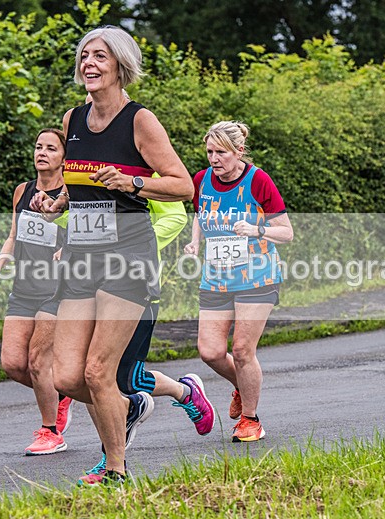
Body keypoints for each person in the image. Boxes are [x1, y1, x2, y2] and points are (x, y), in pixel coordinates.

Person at [32, 25, 193, 486]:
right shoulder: (72, 120)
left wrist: (134, 182)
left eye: (99, 56)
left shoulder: (139, 121)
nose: (89, 64)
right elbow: (74, 183)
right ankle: (131, 403)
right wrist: (58, 201)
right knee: (66, 375)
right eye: (84, 56)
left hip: (128, 255)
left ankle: (117, 469)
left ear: (121, 65)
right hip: (83, 256)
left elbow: (182, 185)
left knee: (99, 370)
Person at [79, 195, 216, 484]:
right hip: (87, 279)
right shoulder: (80, 168)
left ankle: (181, 392)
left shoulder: (141, 164)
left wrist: (135, 240)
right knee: (90, 376)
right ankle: (111, 458)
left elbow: (176, 216)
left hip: (132, 279)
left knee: (123, 380)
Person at [184, 121, 293, 442]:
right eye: (209, 152)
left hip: (257, 276)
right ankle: (240, 386)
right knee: (210, 351)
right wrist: (195, 242)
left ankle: (250, 419)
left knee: (243, 350)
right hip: (216, 277)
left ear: (239, 151)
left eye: (221, 152)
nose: (214, 159)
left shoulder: (258, 180)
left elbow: (286, 232)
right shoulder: (201, 180)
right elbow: (200, 216)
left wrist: (256, 229)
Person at [0, 128, 74, 455]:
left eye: (51, 148)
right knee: (12, 363)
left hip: (58, 288)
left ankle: (50, 431)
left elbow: (82, 233)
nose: (42, 153)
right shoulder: (22, 190)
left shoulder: (71, 193)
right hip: (24, 286)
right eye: (38, 146)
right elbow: (13, 234)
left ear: (64, 157)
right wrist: (1, 260)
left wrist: (70, 250)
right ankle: (61, 393)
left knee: (38, 361)